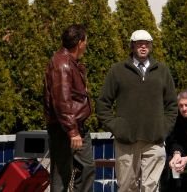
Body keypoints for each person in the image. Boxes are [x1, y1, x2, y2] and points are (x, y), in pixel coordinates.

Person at [96, 29, 178, 192]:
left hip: (154, 140)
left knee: (151, 187)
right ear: (132, 46)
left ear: (151, 47)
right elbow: (103, 103)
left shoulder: (162, 71)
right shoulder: (117, 70)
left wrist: (163, 128)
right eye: (139, 44)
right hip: (126, 141)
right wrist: (117, 127)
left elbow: (172, 105)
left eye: (146, 44)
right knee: (127, 186)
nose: (143, 47)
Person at [43, 24, 95, 192]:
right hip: (64, 128)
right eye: (85, 40)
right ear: (80, 42)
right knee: (61, 176)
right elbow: (62, 100)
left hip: (76, 125)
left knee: (87, 167)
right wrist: (72, 131)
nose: (86, 44)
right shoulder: (62, 64)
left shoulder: (70, 62)